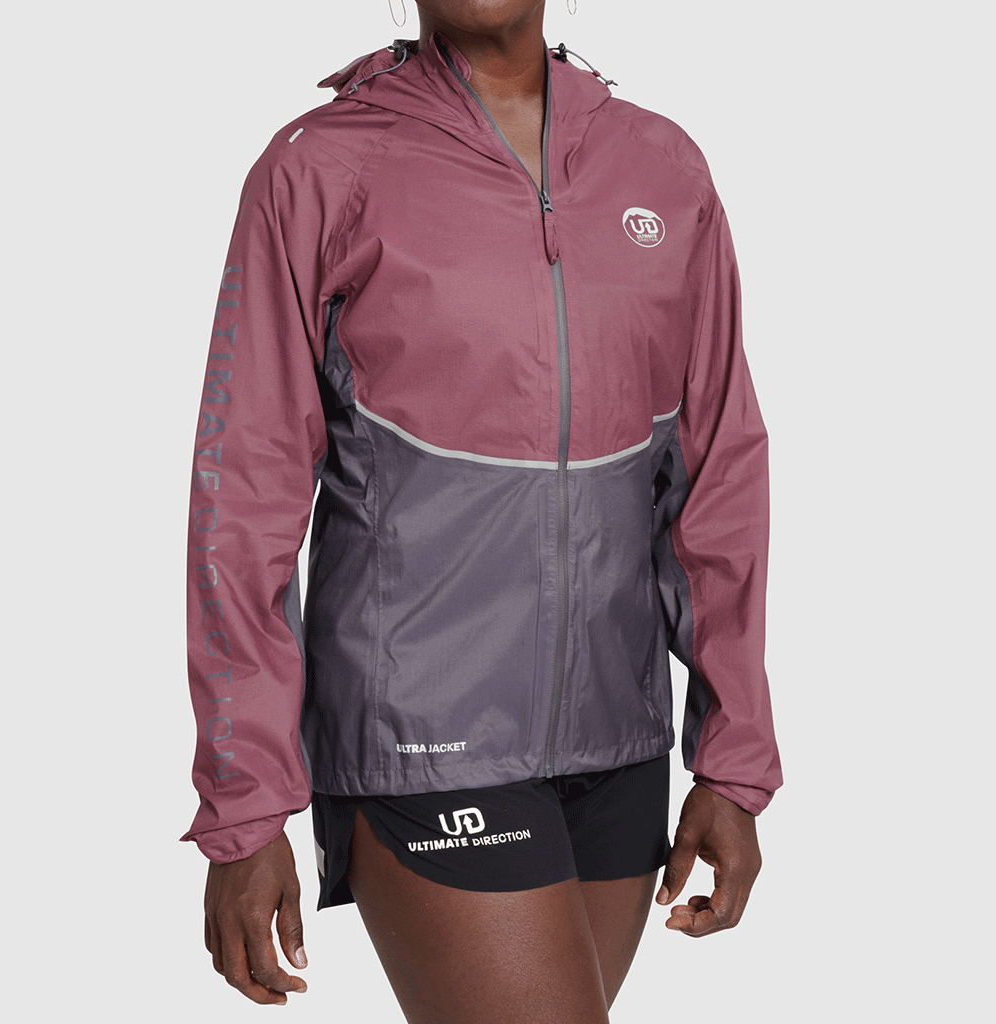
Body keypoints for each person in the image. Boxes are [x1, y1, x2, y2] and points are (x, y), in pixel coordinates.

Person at [183, 1, 782, 1019]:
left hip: (619, 742)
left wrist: (733, 757)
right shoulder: (321, 167)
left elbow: (717, 473)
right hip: (423, 737)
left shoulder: (663, 169)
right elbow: (244, 495)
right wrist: (244, 806)